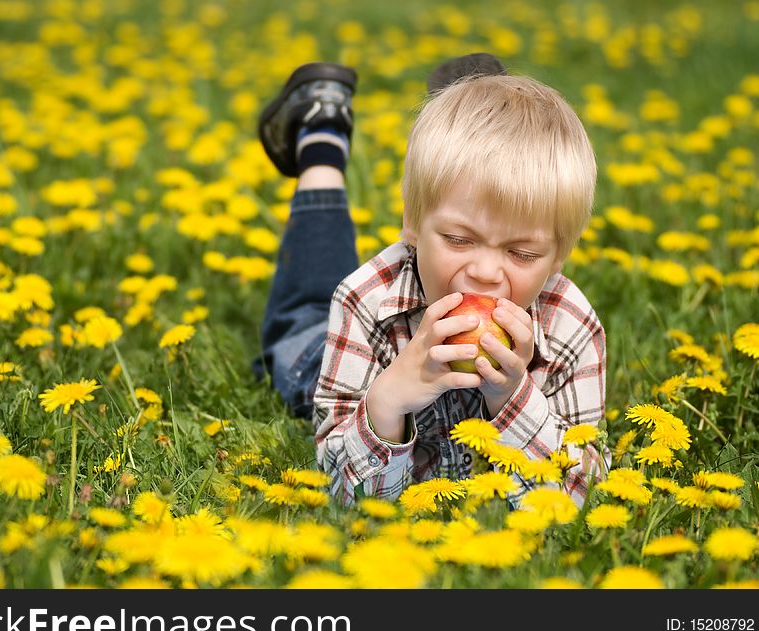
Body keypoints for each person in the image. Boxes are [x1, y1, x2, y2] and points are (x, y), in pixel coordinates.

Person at [253, 53, 609, 507]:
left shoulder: (571, 328)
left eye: (521, 253)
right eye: (460, 240)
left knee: (462, 189)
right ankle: (322, 136)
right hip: (336, 353)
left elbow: (579, 497)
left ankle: (463, 101)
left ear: (559, 256)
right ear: (413, 224)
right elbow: (344, 495)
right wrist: (387, 402)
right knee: (299, 321)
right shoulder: (366, 301)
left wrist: (513, 399)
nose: (485, 272)